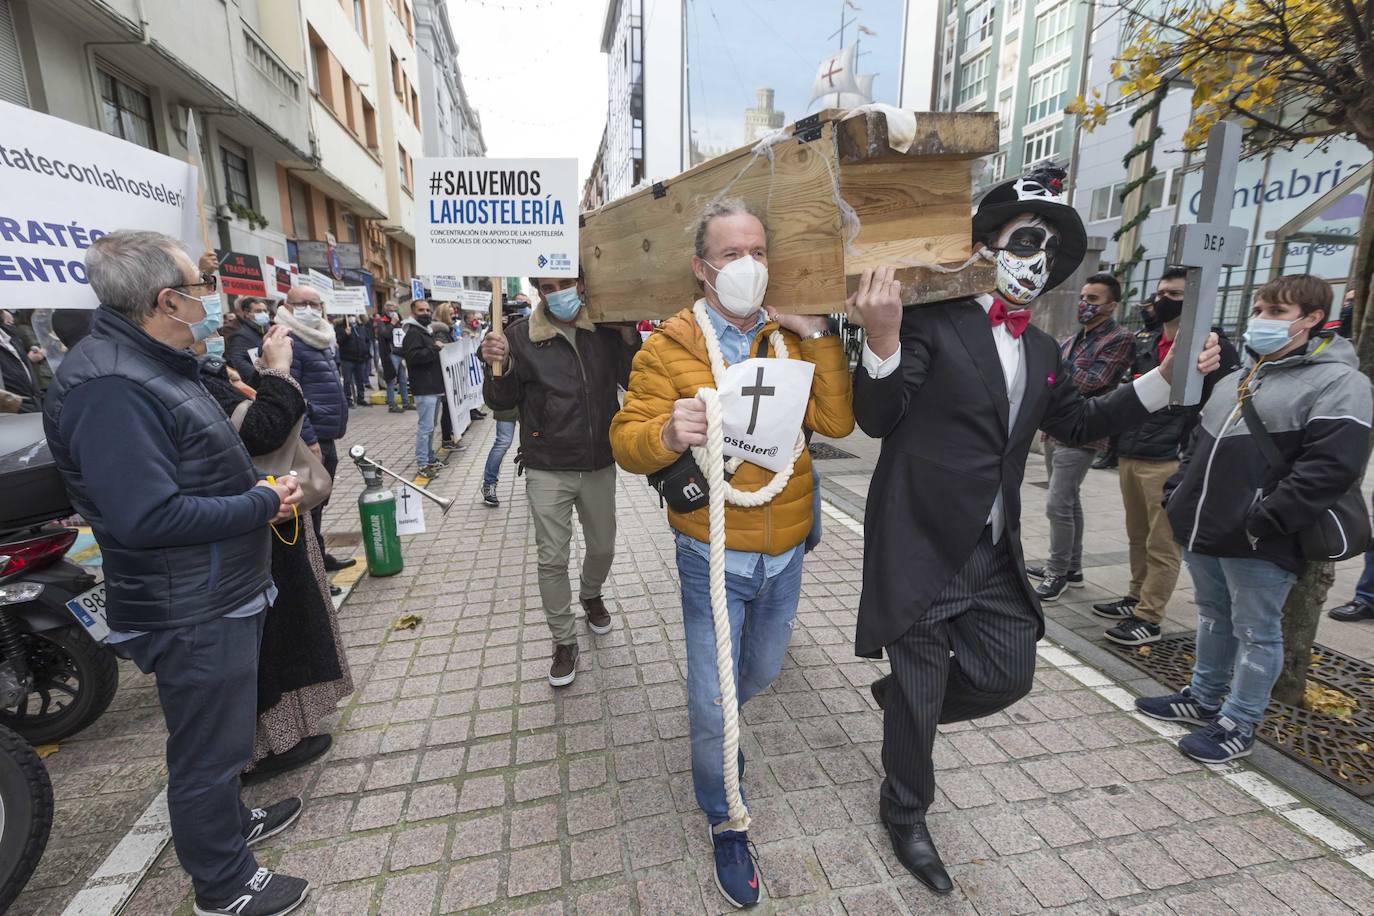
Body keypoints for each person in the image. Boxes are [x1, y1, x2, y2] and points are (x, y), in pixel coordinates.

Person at [850, 165, 1222, 898]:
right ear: (988, 242)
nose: (1040, 260)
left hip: (992, 551)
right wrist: (884, 338)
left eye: (1054, 252)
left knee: (1006, 674)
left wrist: (1167, 377)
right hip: (920, 540)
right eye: (1028, 240)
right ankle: (906, 811)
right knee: (923, 695)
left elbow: (1078, 424)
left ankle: (901, 705)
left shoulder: (1046, 350)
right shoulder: (931, 319)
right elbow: (877, 418)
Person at [42, 231, 310, 916]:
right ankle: (223, 884)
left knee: (219, 739)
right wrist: (259, 501)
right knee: (207, 753)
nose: (209, 299)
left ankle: (228, 830)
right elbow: (145, 516)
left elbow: (187, 467)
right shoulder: (111, 386)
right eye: (200, 286)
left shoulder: (152, 365)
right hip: (190, 605)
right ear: (166, 300)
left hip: (216, 589)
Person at [610, 198, 854, 908]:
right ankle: (725, 814)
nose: (748, 265)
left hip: (787, 553)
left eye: (758, 252)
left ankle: (727, 732)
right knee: (714, 700)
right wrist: (667, 430)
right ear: (701, 268)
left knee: (762, 669)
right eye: (730, 254)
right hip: (711, 555)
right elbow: (625, 441)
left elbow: (837, 421)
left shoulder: (788, 338)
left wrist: (820, 337)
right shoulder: (668, 348)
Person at [1137, 275, 1373, 762]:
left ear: (1311, 320)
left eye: (1276, 313)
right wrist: (1179, 495)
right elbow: (1198, 446)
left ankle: (1239, 722)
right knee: (1213, 617)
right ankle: (1203, 699)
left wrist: (1263, 518)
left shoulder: (1340, 382)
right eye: (1259, 309)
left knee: (1256, 632)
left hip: (1261, 537)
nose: (1260, 321)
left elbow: (1330, 468)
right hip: (1206, 527)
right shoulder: (1237, 377)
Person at [198, 326, 354, 782]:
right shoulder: (175, 382)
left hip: (266, 516)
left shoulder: (199, 372)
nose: (208, 307)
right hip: (247, 524)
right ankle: (265, 748)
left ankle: (285, 734)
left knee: (287, 628)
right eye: (201, 288)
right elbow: (263, 430)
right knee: (269, 639)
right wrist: (279, 372)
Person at [481, 271, 640, 688]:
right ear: (538, 292)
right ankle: (564, 640)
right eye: (546, 289)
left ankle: (591, 593)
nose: (556, 295)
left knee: (603, 546)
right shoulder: (518, 336)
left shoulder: (605, 328)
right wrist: (498, 366)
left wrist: (627, 337)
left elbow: (634, 382)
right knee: (552, 557)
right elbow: (502, 403)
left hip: (599, 461)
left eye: (564, 285)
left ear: (583, 284)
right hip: (547, 463)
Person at [1092, 268, 1240, 646]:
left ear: (1194, 302)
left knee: (1163, 544)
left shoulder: (1213, 349)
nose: (1160, 300)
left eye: (1172, 293)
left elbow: (1218, 406)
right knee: (1137, 535)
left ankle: (1149, 616)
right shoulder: (1149, 341)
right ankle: (1135, 596)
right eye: (1160, 292)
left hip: (1170, 460)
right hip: (1132, 451)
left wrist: (1189, 457)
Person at [1027, 272, 1134, 601]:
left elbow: (1091, 381)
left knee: (1057, 504)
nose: (1084, 305)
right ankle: (1072, 568)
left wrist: (1057, 370)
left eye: (1093, 299)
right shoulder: (1074, 340)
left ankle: (1056, 572)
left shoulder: (1119, 338)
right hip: (1054, 429)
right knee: (1069, 502)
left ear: (1112, 305)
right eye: (1083, 298)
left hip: (1084, 432)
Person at [275, 285, 355, 574]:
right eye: (302, 303)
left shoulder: (319, 337)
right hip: (308, 440)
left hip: (325, 433)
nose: (309, 309)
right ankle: (313, 568)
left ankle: (320, 556)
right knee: (309, 507)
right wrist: (309, 439)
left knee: (319, 503)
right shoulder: (286, 340)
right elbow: (289, 393)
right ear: (288, 304)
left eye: (314, 303)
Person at [401, 299, 448, 476]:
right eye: (421, 310)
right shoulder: (413, 333)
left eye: (428, 310)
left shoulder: (424, 331)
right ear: (413, 313)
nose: (426, 313)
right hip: (424, 387)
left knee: (431, 426)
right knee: (425, 427)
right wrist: (434, 349)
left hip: (433, 386)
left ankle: (429, 458)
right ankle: (422, 463)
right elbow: (413, 357)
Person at [0, 309, 42, 412]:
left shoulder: (10, 336)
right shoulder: (20, 331)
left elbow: (23, 366)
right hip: (13, 409)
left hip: (32, 400)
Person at [430, 302, 459, 448]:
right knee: (447, 408)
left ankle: (451, 436)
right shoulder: (441, 332)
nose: (454, 313)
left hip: (447, 375)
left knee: (450, 407)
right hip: (443, 376)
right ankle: (447, 439)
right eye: (450, 312)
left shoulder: (448, 330)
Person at [226, 297, 271, 387]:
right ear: (247, 314)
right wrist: (261, 378)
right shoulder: (241, 336)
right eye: (258, 311)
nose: (263, 314)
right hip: (258, 385)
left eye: (265, 311)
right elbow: (238, 361)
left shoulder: (268, 331)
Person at [334, 313, 372, 407]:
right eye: (350, 315)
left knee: (360, 379)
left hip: (360, 358)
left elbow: (366, 339)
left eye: (353, 315)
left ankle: (361, 398)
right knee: (347, 380)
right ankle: (348, 399)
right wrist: (345, 334)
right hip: (347, 358)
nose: (352, 317)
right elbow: (338, 341)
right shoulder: (340, 327)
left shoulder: (360, 326)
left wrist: (366, 351)